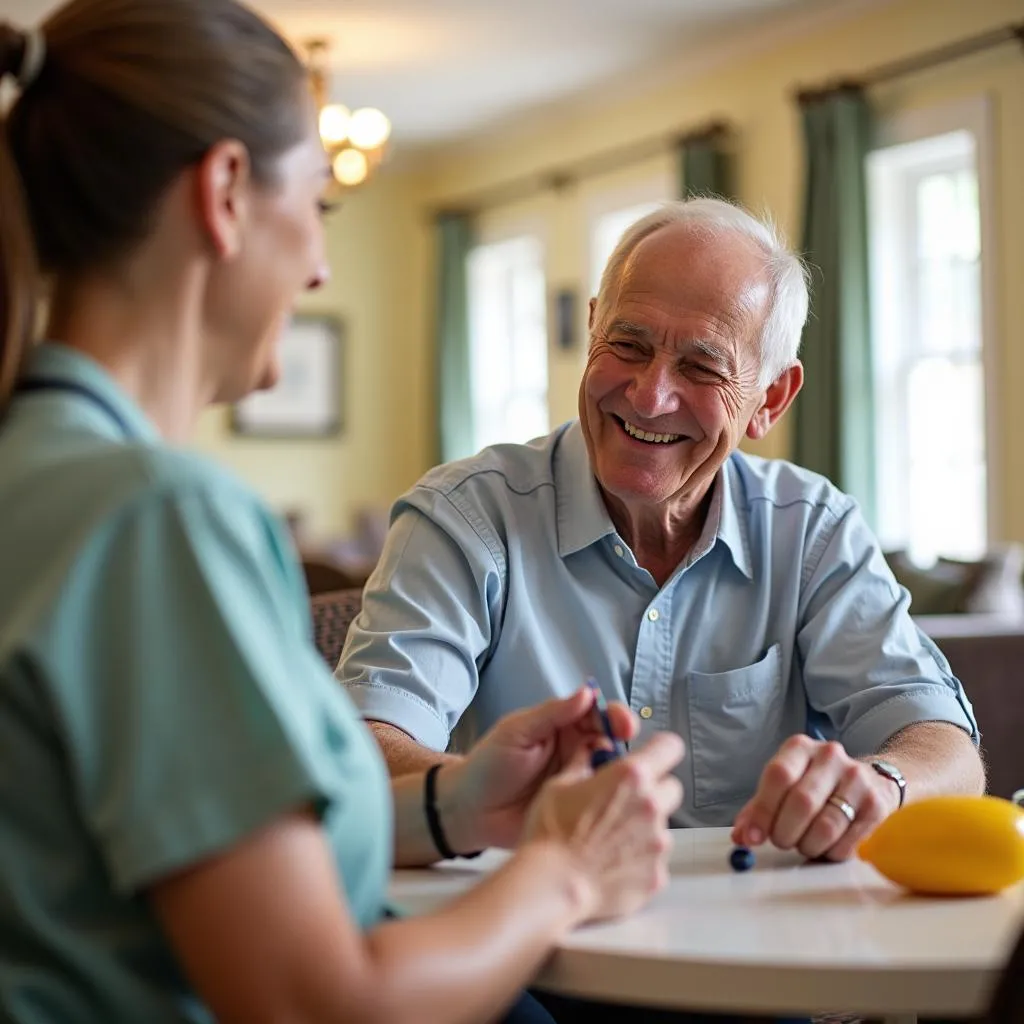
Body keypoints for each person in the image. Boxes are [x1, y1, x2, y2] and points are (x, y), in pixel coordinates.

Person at [0, 4, 686, 1023]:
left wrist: (458, 801)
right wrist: (569, 870)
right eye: (319, 205)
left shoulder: (37, 472)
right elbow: (314, 1001)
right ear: (226, 192)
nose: (320, 265)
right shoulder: (159, 519)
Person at [340, 197, 985, 870]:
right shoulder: (466, 517)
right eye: (629, 344)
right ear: (592, 328)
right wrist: (491, 800)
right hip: (533, 942)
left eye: (702, 367)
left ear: (770, 399)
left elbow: (946, 751)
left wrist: (883, 786)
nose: (649, 397)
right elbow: (364, 748)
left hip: (769, 950)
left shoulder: (814, 531)